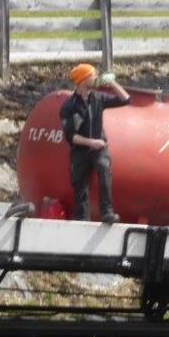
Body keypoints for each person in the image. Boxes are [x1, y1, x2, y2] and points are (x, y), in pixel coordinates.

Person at [60, 63, 130, 222]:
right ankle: (82, 218)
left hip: (99, 149)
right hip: (80, 150)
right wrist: (91, 142)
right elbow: (71, 136)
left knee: (104, 167)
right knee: (80, 184)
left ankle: (107, 212)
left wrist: (113, 83)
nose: (95, 78)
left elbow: (125, 100)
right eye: (92, 75)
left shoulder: (98, 98)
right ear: (82, 80)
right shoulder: (69, 106)